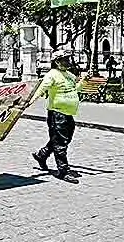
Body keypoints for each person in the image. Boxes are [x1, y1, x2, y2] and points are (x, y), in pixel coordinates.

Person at [28, 48, 86, 184]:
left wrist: (83, 81)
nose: (68, 61)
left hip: (68, 113)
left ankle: (42, 155)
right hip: (57, 113)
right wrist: (29, 102)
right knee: (60, 142)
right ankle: (63, 171)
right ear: (57, 62)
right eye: (65, 59)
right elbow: (41, 89)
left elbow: (76, 89)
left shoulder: (69, 75)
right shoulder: (52, 74)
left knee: (63, 138)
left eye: (68, 59)